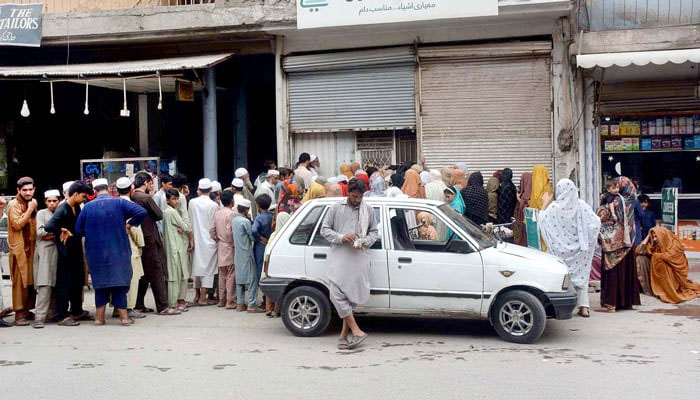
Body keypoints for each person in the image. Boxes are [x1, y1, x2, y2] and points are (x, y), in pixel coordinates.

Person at [76, 178, 147, 326]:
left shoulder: (87, 207)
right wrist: (129, 225)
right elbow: (141, 212)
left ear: (94, 192)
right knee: (120, 283)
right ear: (109, 189)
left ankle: (99, 318)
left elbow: (78, 230)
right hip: (118, 250)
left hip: (96, 252)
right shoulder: (120, 202)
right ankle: (124, 318)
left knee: (100, 284)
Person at [320, 179, 378, 350]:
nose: (357, 200)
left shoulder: (367, 210)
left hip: (358, 258)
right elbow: (324, 229)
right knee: (336, 293)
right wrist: (341, 237)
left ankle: (343, 336)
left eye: (359, 197)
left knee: (350, 297)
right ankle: (356, 330)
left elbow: (374, 232)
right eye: (354, 196)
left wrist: (365, 240)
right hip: (339, 257)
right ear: (348, 193)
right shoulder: (336, 208)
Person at [540, 179, 601, 318]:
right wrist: (586, 239)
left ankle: (560, 306)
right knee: (581, 277)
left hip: (559, 250)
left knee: (560, 277)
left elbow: (542, 219)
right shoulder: (582, 205)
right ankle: (584, 307)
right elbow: (595, 222)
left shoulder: (554, 208)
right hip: (580, 250)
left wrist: (545, 202)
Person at [44, 181, 93, 326]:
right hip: (65, 251)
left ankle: (77, 310)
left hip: (76, 249)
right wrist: (62, 230)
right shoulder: (63, 208)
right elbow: (49, 226)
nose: (84, 199)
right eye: (83, 196)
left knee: (77, 281)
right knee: (65, 283)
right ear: (76, 194)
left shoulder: (76, 206)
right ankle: (62, 315)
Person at [131, 172, 178, 315]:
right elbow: (159, 214)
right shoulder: (145, 198)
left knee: (144, 273)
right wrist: (151, 195)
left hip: (140, 237)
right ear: (145, 183)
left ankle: (138, 304)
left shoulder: (133, 197)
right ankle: (163, 306)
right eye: (150, 182)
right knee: (157, 271)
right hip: (150, 237)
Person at [596, 176, 641, 313]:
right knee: (626, 271)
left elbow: (602, 216)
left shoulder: (615, 200)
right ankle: (626, 302)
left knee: (613, 272)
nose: (616, 188)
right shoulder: (631, 199)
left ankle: (611, 304)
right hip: (628, 241)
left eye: (617, 185)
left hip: (614, 244)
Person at [636, 227, 700, 303]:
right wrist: (647, 237)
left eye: (656, 236)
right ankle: (650, 290)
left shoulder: (674, 243)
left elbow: (669, 257)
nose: (655, 239)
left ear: (663, 235)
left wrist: (655, 256)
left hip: (674, 274)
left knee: (661, 263)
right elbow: (638, 251)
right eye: (653, 237)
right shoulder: (655, 244)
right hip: (658, 271)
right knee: (640, 259)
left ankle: (665, 292)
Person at [7, 177, 38, 326]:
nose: (28, 192)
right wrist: (31, 209)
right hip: (19, 249)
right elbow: (17, 224)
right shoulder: (14, 204)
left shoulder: (32, 202)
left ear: (34, 189)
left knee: (30, 281)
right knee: (20, 282)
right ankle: (19, 313)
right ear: (18, 190)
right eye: (24, 190)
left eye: (30, 189)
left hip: (31, 248)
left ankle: (26, 309)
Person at [115, 177, 147, 319]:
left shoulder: (114, 204)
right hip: (130, 247)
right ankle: (128, 307)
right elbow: (135, 229)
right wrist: (140, 244)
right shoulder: (130, 206)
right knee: (132, 279)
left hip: (116, 247)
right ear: (131, 190)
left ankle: (117, 307)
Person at [32, 189, 60, 328]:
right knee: (45, 283)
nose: (52, 204)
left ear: (59, 201)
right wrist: (57, 234)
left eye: (54, 201)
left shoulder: (62, 212)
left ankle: (52, 314)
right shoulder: (42, 214)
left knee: (56, 284)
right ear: (45, 202)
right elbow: (40, 233)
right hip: (45, 252)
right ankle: (39, 317)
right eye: (49, 201)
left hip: (58, 252)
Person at [162, 188, 194, 312]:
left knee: (177, 275)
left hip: (174, 247)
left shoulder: (167, 212)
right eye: (173, 199)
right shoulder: (171, 212)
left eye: (177, 199)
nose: (176, 201)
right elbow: (185, 226)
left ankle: (175, 302)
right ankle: (173, 304)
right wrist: (184, 229)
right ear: (168, 200)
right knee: (176, 276)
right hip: (176, 248)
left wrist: (182, 228)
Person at [189, 178, 219, 306]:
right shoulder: (214, 205)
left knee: (197, 266)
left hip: (195, 238)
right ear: (211, 190)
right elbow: (214, 225)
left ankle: (197, 295)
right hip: (209, 240)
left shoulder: (192, 202)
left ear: (199, 189)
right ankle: (203, 297)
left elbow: (189, 220)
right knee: (209, 269)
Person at [210, 190, 236, 309]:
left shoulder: (218, 213)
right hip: (229, 246)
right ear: (232, 201)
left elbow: (212, 230)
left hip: (220, 245)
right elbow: (229, 232)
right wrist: (231, 242)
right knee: (230, 274)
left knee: (222, 274)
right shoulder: (231, 214)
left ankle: (221, 299)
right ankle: (229, 300)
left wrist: (217, 239)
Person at [249, 194, 272, 313]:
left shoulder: (259, 218)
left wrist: (259, 238)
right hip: (270, 244)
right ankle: (268, 299)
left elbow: (253, 230)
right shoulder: (271, 216)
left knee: (260, 270)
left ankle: (264, 299)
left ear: (258, 205)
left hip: (260, 246)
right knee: (268, 270)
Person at [264, 211, 290, 317]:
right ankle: (276, 310)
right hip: (282, 266)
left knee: (271, 288)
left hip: (271, 266)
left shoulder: (273, 235)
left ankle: (268, 309)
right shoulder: (287, 236)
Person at [232, 198, 255, 312]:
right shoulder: (245, 222)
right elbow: (252, 236)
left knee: (239, 279)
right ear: (246, 210)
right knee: (251, 279)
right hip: (247, 252)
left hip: (237, 253)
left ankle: (240, 304)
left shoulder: (234, 220)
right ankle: (251, 304)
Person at [513, 172, 532, 247]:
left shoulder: (530, 194)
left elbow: (526, 206)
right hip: (520, 223)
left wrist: (518, 199)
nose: (521, 181)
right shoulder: (521, 191)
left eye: (522, 180)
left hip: (525, 224)